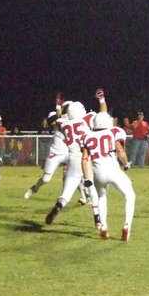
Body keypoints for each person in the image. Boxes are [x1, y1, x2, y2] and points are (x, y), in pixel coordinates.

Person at [45, 90, 104, 225]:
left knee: (67, 192)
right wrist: (101, 100)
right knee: (92, 188)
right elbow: (102, 114)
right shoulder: (88, 119)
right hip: (85, 159)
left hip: (72, 159)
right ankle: (97, 220)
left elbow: (59, 118)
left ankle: (59, 205)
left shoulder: (64, 124)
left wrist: (58, 106)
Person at [81, 111, 135, 241]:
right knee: (130, 195)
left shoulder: (87, 136)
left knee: (101, 197)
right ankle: (127, 226)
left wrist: (87, 178)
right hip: (112, 170)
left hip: (98, 172)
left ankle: (104, 226)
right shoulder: (113, 132)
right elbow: (120, 151)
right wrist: (126, 164)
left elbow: (84, 159)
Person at [24, 110, 72, 200]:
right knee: (46, 179)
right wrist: (58, 107)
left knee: (76, 173)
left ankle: (86, 196)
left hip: (68, 154)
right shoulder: (58, 125)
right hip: (55, 154)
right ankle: (34, 188)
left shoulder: (70, 123)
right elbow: (59, 120)